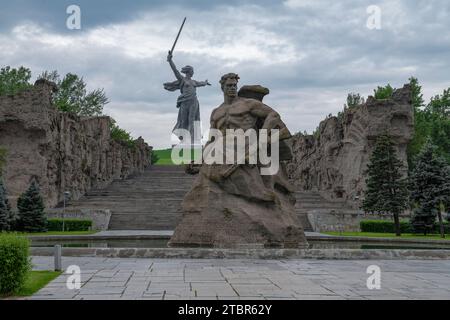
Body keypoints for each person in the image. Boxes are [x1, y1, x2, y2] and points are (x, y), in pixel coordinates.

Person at [164, 52, 210, 144]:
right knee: (183, 120)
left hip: (193, 102)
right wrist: (170, 61)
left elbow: (201, 83)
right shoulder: (182, 80)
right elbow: (175, 71)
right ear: (189, 72)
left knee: (192, 120)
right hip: (184, 102)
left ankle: (192, 139)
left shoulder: (194, 82)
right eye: (192, 71)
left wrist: (205, 83)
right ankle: (183, 138)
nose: (193, 72)